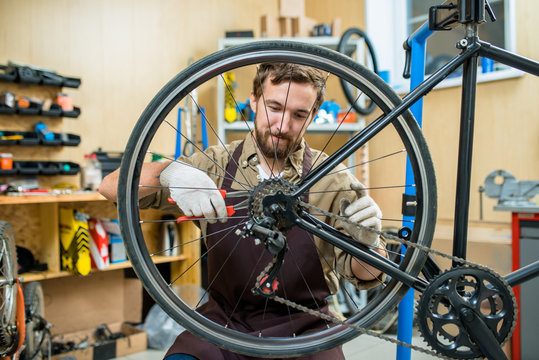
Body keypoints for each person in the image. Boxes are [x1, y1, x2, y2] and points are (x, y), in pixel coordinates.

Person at [99, 63, 386, 360]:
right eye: (274, 107)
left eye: (299, 115)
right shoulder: (216, 163)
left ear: (313, 115)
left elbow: (366, 273)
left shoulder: (334, 180)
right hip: (222, 326)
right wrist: (169, 172)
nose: (282, 125)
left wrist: (370, 244)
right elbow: (109, 187)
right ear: (254, 99)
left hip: (306, 332)